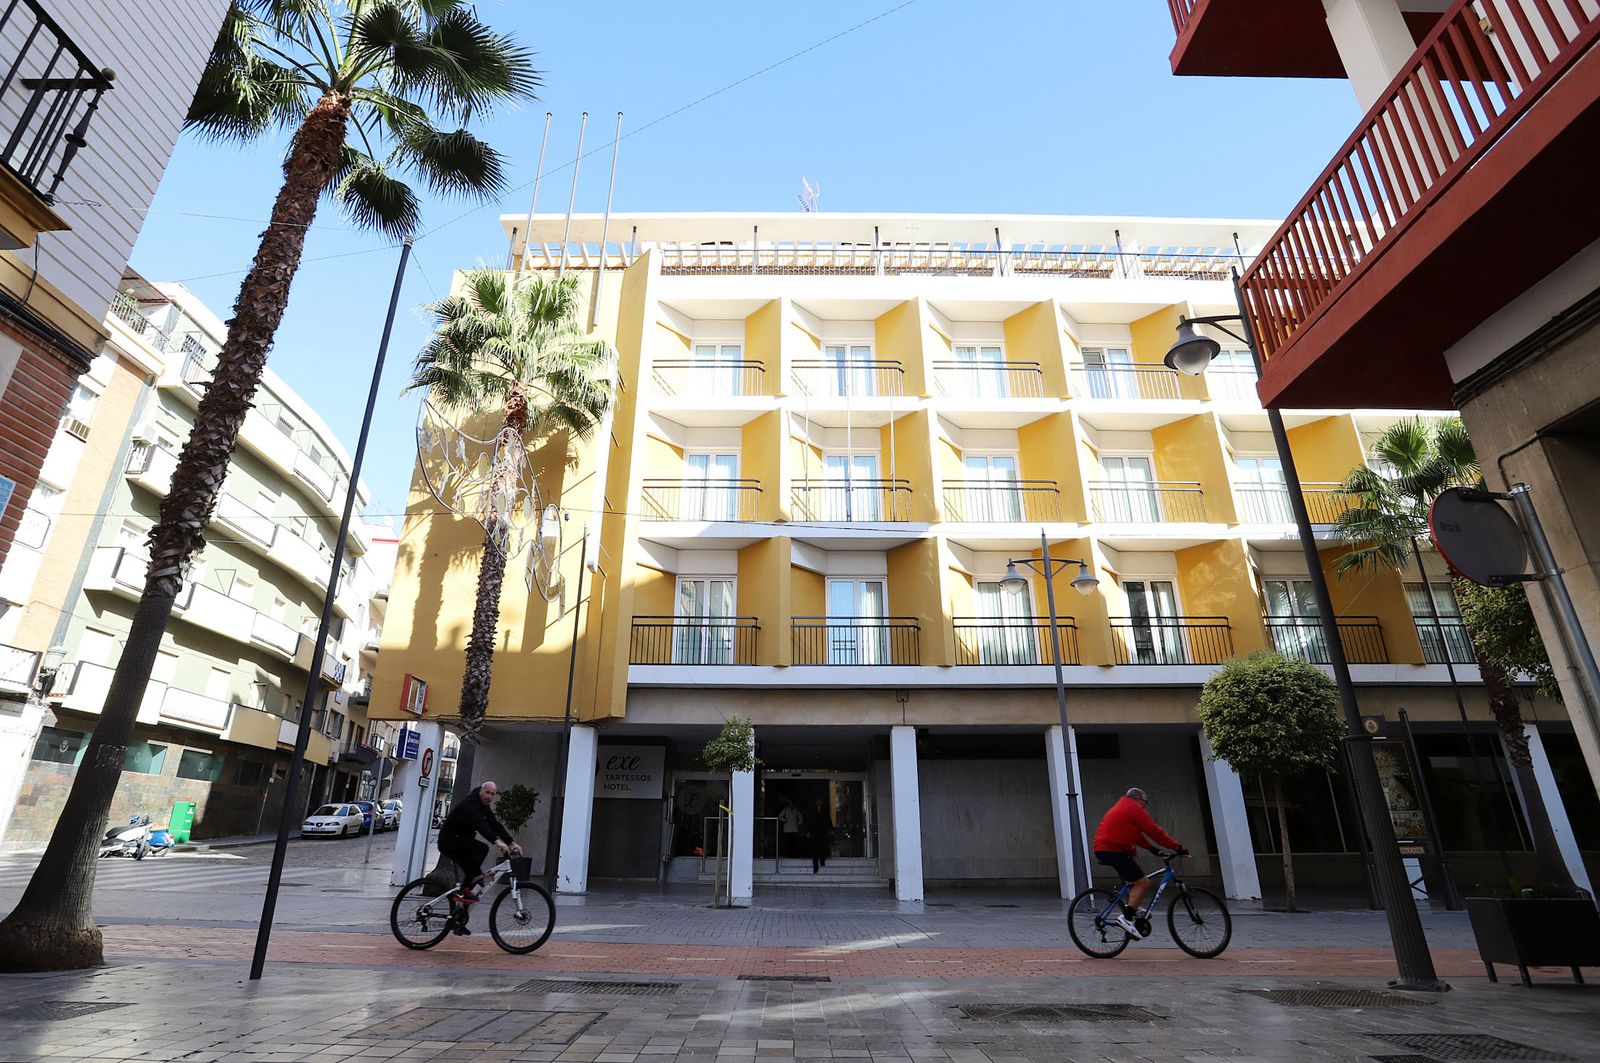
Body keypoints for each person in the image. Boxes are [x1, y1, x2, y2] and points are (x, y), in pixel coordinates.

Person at [1091, 787, 1187, 939]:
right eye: (1144, 802)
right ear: (1137, 799)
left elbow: (1135, 835)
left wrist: (1153, 849)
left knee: (1132, 882)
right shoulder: (1133, 807)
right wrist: (1177, 847)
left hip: (1105, 849)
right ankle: (1127, 918)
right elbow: (1153, 830)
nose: (1144, 806)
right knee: (1142, 882)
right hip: (1114, 850)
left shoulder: (1122, 807)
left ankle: (1133, 908)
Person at [436, 780, 521, 936]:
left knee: (477, 883)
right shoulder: (471, 804)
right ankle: (462, 891)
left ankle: (457, 920)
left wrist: (511, 842)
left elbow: (495, 825)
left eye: (492, 794)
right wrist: (497, 842)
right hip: (449, 841)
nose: (489, 796)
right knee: (482, 848)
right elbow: (480, 826)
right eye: (487, 792)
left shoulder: (484, 807)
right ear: (481, 791)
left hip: (461, 843)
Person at [807, 796, 833, 873]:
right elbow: (810, 820)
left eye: (819, 801)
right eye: (817, 801)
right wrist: (808, 831)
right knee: (815, 849)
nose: (818, 802)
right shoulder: (813, 810)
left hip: (823, 832)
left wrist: (831, 828)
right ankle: (815, 867)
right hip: (815, 832)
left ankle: (822, 861)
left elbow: (828, 819)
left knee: (823, 847)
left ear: (821, 802)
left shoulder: (824, 810)